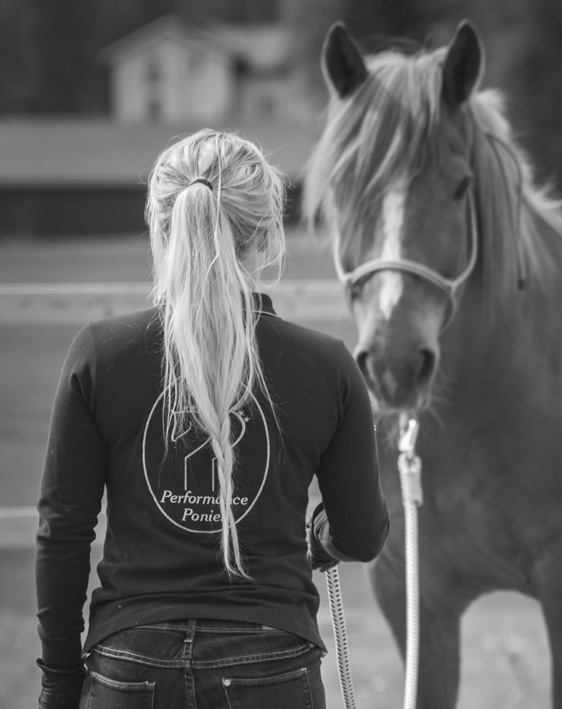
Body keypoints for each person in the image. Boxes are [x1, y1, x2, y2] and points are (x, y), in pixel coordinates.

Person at [35, 129, 389, 709]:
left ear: (160, 226)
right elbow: (363, 534)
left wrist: (58, 682)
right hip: (272, 664)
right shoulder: (327, 365)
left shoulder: (101, 353)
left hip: (130, 662)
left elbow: (63, 531)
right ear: (268, 233)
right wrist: (324, 534)